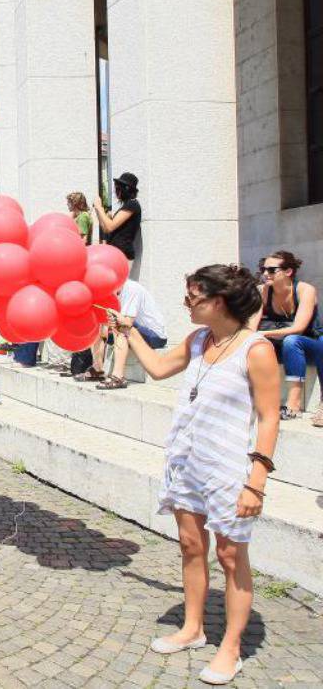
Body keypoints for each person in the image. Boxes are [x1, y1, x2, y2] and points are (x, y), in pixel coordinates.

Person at [107, 264, 277, 685]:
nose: (186, 304)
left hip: (229, 467)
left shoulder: (255, 349)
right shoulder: (199, 340)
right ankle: (193, 627)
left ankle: (231, 647)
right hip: (187, 460)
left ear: (217, 302)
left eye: (192, 297)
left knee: (230, 555)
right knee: (189, 545)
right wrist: (129, 331)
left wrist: (257, 480)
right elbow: (159, 368)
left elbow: (270, 417)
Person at [252, 251, 323, 424]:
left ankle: (293, 404)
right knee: (253, 343)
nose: (265, 274)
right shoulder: (262, 291)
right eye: (263, 269)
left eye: (271, 270)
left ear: (288, 272)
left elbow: (298, 328)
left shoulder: (305, 290)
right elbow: (252, 325)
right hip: (281, 346)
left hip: (309, 344)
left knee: (291, 340)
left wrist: (262, 333)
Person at [90, 278, 168, 390]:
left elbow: (127, 323)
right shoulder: (112, 294)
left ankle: (118, 377)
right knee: (98, 328)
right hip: (135, 331)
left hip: (155, 335)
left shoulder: (132, 289)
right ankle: (98, 370)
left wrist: (113, 324)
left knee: (122, 329)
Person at [93, 172, 141, 266]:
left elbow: (110, 226)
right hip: (116, 253)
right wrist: (99, 211)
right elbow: (106, 228)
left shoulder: (132, 204)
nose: (115, 191)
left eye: (117, 188)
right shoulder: (126, 205)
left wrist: (100, 208)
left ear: (125, 189)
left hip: (123, 254)